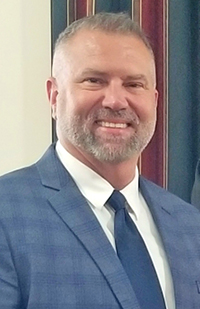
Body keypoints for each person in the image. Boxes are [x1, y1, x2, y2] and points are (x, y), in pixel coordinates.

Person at [0, 12, 200, 309]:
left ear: (155, 101)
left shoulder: (189, 225)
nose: (116, 101)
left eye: (134, 84)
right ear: (54, 97)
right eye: (94, 80)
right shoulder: (7, 214)